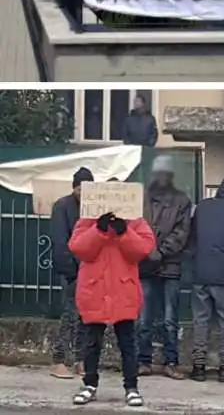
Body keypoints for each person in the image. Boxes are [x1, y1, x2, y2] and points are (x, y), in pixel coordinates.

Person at [69, 211, 156, 407]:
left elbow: (143, 249)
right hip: (95, 290)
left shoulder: (135, 220)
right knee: (92, 342)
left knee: (127, 343)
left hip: (122, 290)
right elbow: (78, 248)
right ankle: (89, 385)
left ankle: (131, 387)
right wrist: (97, 230)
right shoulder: (88, 218)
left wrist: (125, 233)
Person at [137, 156, 191, 380]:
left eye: (165, 173)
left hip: (170, 265)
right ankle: (143, 361)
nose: (162, 177)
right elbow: (135, 225)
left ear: (170, 176)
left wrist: (160, 251)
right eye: (159, 173)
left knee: (170, 319)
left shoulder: (182, 200)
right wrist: (146, 250)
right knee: (143, 318)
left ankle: (171, 362)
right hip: (145, 264)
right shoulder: (141, 199)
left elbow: (182, 232)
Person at [188, 174, 224, 383]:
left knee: (201, 321)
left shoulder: (202, 206)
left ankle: (198, 367)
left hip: (200, 273)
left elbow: (192, 239)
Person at [50, 167, 94, 379]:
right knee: (69, 316)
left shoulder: (92, 208)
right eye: (80, 187)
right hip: (72, 272)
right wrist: (71, 271)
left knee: (84, 319)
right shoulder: (62, 206)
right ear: (74, 186)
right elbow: (60, 243)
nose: (83, 192)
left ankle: (79, 360)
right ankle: (59, 360)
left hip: (89, 270)